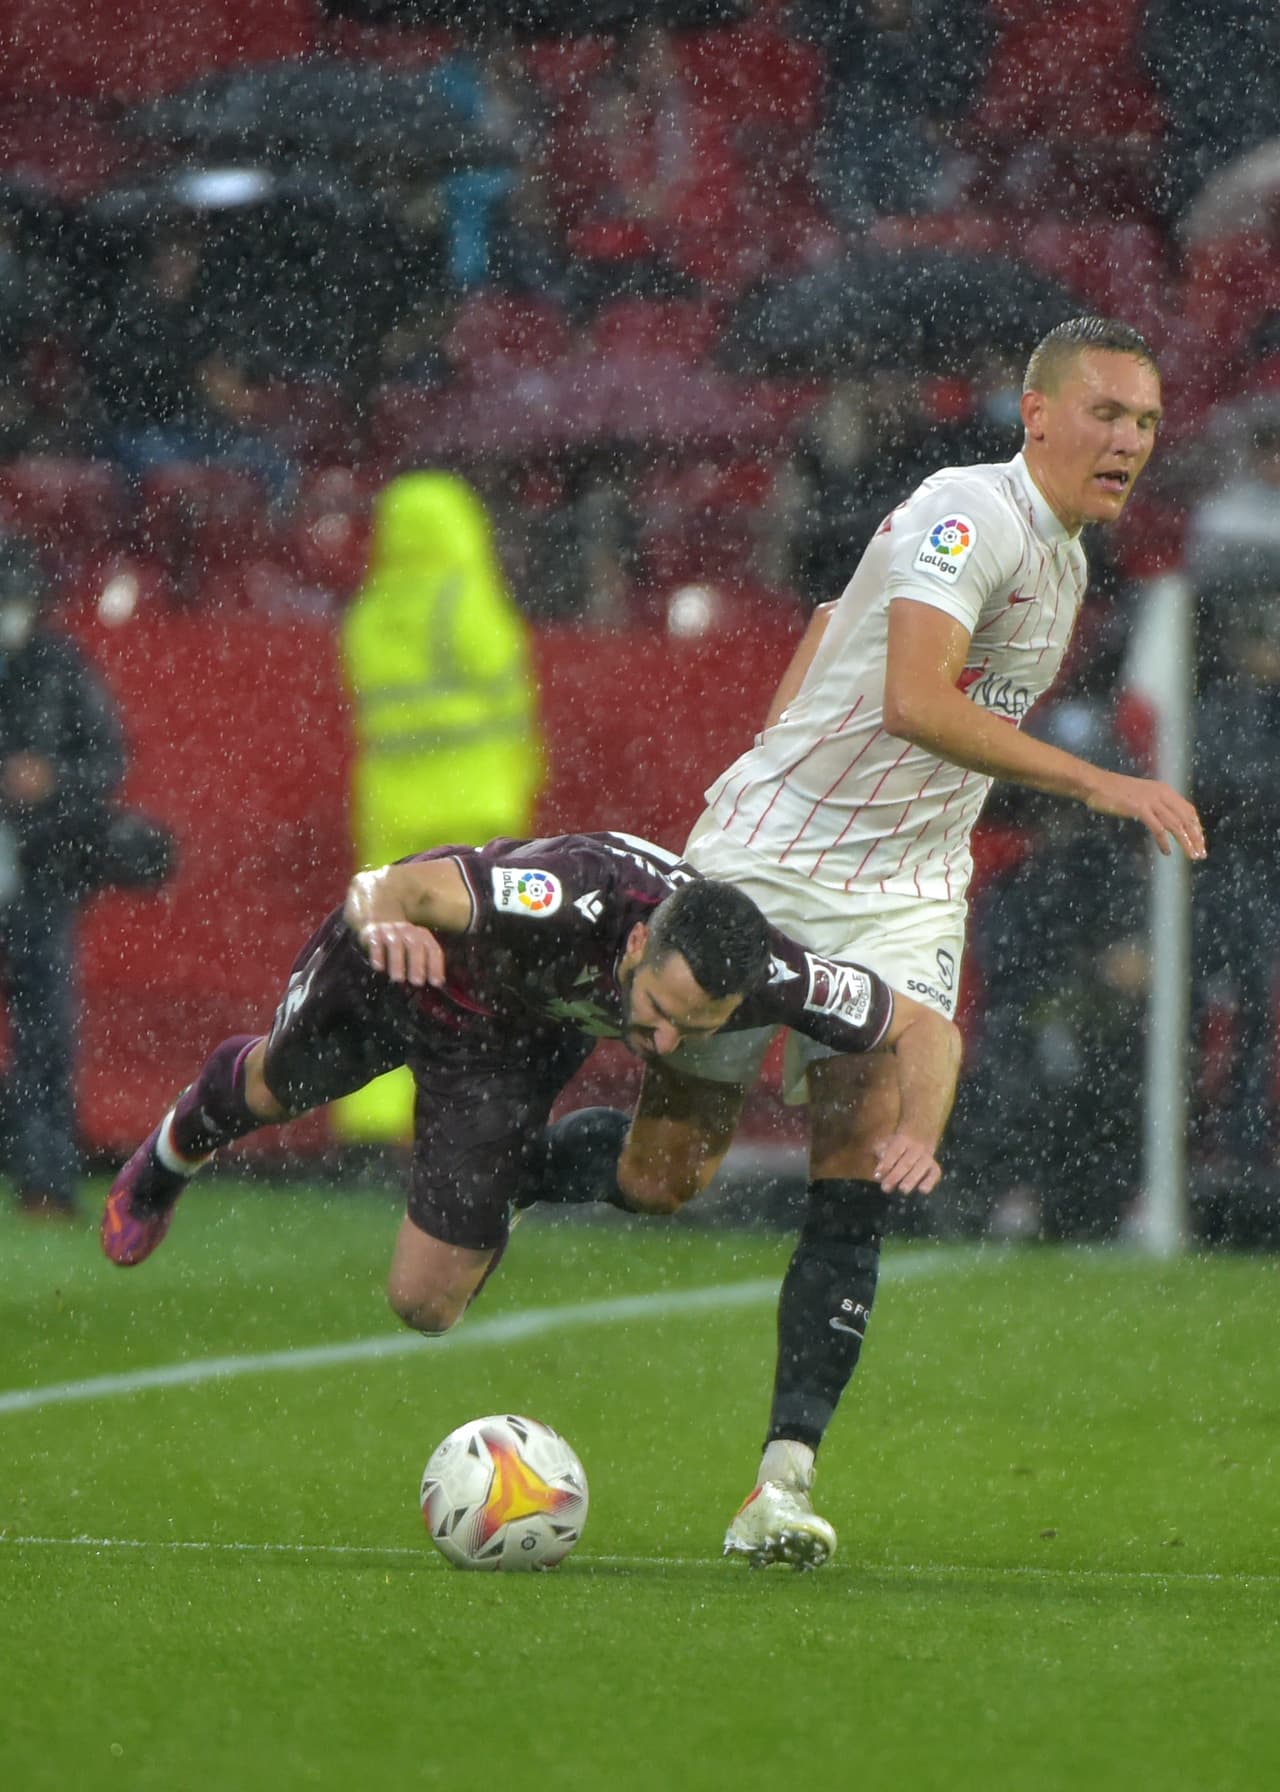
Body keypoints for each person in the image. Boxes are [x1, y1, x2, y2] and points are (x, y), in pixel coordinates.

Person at [535, 316, 1206, 1569]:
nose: (1127, 439)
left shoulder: (1062, 558)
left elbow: (836, 612)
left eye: (1147, 422)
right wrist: (1093, 782)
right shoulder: (971, 511)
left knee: (858, 1141)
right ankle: (510, 1165)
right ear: (1035, 412)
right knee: (664, 1177)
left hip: (901, 888)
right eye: (1105, 413)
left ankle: (779, 1485)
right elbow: (909, 697)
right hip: (772, 858)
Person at [101, 832, 960, 1333]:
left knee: (427, 1308)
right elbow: (382, 886)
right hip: (407, 968)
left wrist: (918, 1131)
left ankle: (507, 1177)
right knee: (269, 1091)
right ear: (634, 948)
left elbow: (927, 1027)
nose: (664, 1040)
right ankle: (173, 1155)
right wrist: (388, 923)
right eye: (658, 1008)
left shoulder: (770, 975)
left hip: (504, 1049)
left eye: (693, 1027)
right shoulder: (568, 897)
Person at [334, 471, 545, 1145]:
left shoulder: (369, 610)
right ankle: (464, 1110)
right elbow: (507, 685)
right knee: (472, 970)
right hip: (472, 806)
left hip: (392, 810)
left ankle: (373, 1115)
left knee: (391, 962)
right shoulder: (466, 599)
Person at [0, 536, 127, 1219]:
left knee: (47, 1032)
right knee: (42, 1028)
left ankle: (45, 1179)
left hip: (41, 871)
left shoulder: (58, 666)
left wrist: (52, 783)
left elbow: (106, 758)